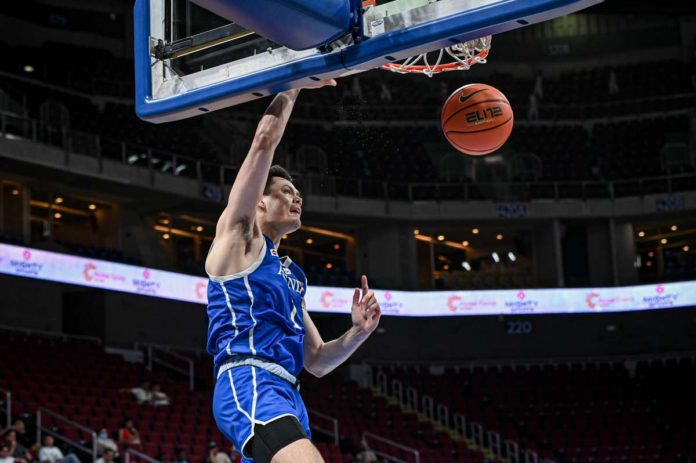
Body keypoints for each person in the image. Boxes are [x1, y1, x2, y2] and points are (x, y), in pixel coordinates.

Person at [205, 81, 382, 463]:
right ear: (260, 203)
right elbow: (264, 141)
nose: (297, 197)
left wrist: (358, 332)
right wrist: (295, 84)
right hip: (249, 380)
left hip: (290, 392)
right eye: (286, 191)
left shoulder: (292, 276)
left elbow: (317, 360)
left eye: (297, 192)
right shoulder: (239, 240)